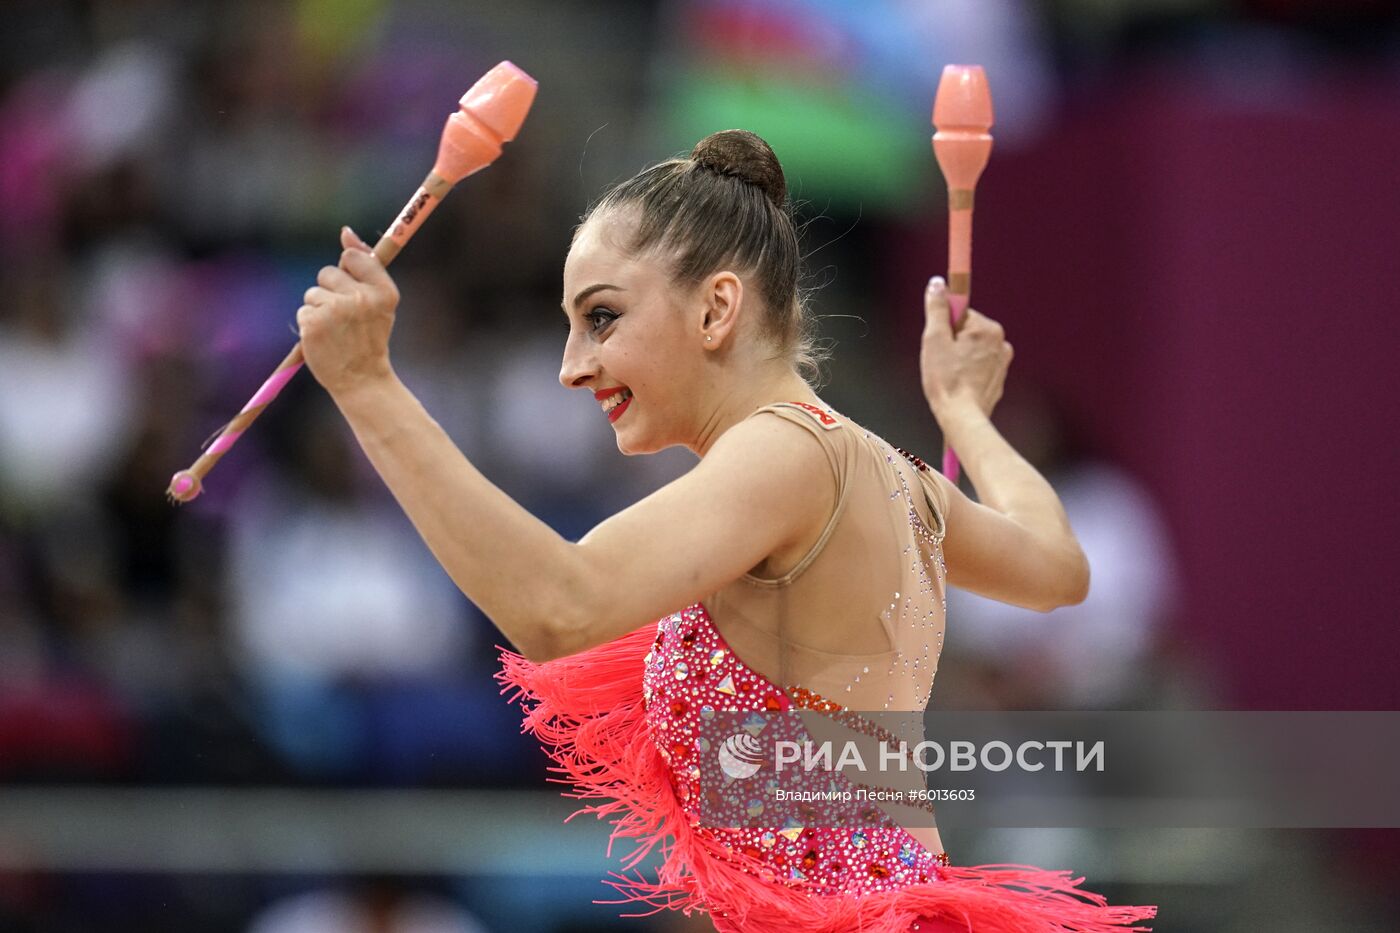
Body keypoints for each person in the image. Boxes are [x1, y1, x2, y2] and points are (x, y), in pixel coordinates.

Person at [295, 129, 1157, 932]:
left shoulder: (781, 455)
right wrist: (964, 412)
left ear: (716, 309)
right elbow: (1056, 567)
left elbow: (561, 605)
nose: (570, 365)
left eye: (600, 317)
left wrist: (371, 388)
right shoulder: (884, 473)